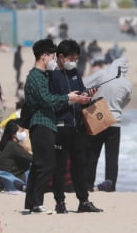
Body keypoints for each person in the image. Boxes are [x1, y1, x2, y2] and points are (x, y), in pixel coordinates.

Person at [23, 39, 83, 214]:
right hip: (41, 123)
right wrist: (68, 98)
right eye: (51, 56)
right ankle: (35, 203)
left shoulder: (43, 75)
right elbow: (46, 99)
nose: (53, 59)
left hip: (48, 123)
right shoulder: (35, 76)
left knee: (39, 165)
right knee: (47, 165)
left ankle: (33, 203)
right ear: (44, 56)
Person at [48, 39, 102, 213]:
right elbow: (51, 102)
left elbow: (82, 93)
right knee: (60, 166)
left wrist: (88, 96)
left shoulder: (75, 72)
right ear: (61, 56)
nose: (74, 61)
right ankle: (60, 202)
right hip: (61, 126)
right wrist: (71, 99)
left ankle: (84, 201)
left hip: (78, 125)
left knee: (81, 164)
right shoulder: (51, 75)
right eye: (72, 57)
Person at [84, 57, 132, 192]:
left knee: (93, 154)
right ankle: (111, 186)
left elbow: (84, 85)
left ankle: (88, 184)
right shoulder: (127, 83)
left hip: (98, 117)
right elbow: (125, 103)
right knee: (112, 157)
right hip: (115, 122)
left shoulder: (102, 75)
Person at [0, 119, 32, 190]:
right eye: (21, 131)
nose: (24, 133)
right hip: (16, 179)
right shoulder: (13, 146)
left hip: (8, 179)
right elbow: (31, 158)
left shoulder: (7, 144)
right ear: (14, 134)